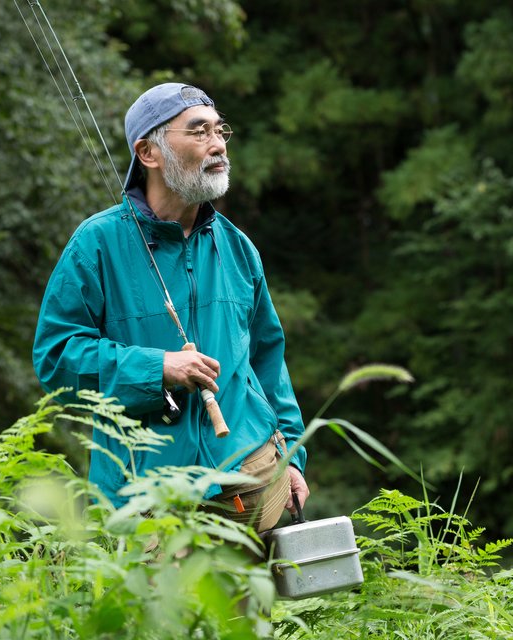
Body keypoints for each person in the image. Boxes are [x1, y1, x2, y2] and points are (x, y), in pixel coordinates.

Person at [32, 82, 309, 532]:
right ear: (148, 153)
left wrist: (292, 457)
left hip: (253, 481)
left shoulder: (238, 248)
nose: (218, 145)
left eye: (221, 131)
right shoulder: (96, 244)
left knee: (244, 606)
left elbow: (267, 361)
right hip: (147, 497)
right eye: (199, 132)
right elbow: (56, 358)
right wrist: (155, 367)